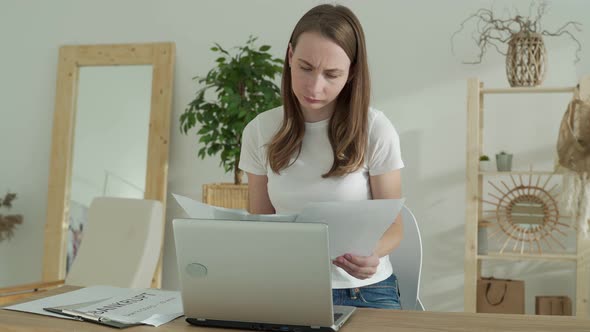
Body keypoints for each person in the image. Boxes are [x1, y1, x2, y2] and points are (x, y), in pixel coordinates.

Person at [239, 4, 404, 310]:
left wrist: (374, 253)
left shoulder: (376, 130)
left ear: (351, 72)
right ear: (290, 57)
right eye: (305, 67)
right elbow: (261, 222)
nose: (315, 87)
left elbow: (395, 227)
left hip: (364, 293)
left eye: (332, 74)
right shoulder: (260, 131)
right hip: (287, 289)